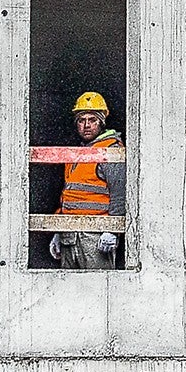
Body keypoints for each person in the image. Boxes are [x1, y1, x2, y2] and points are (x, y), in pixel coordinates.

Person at [48, 90, 124, 269]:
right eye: (81, 120)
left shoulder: (111, 150)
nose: (86, 125)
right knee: (68, 291)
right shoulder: (79, 153)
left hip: (95, 235)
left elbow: (120, 193)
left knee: (96, 291)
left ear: (102, 122)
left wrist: (112, 230)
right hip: (69, 233)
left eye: (92, 120)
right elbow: (69, 193)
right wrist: (58, 230)